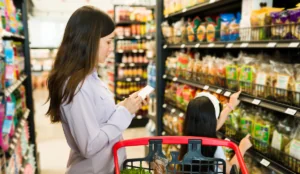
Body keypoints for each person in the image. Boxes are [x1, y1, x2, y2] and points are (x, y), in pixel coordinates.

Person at [46, 6, 145, 174]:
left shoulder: (90, 77)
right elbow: (89, 146)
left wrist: (125, 107)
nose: (111, 48)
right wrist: (123, 113)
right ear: (90, 41)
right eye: (108, 41)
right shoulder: (77, 86)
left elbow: (98, 119)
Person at [179, 91, 252, 173]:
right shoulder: (213, 146)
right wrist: (242, 148)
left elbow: (211, 126)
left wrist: (230, 106)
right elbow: (231, 171)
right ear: (212, 122)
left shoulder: (188, 136)